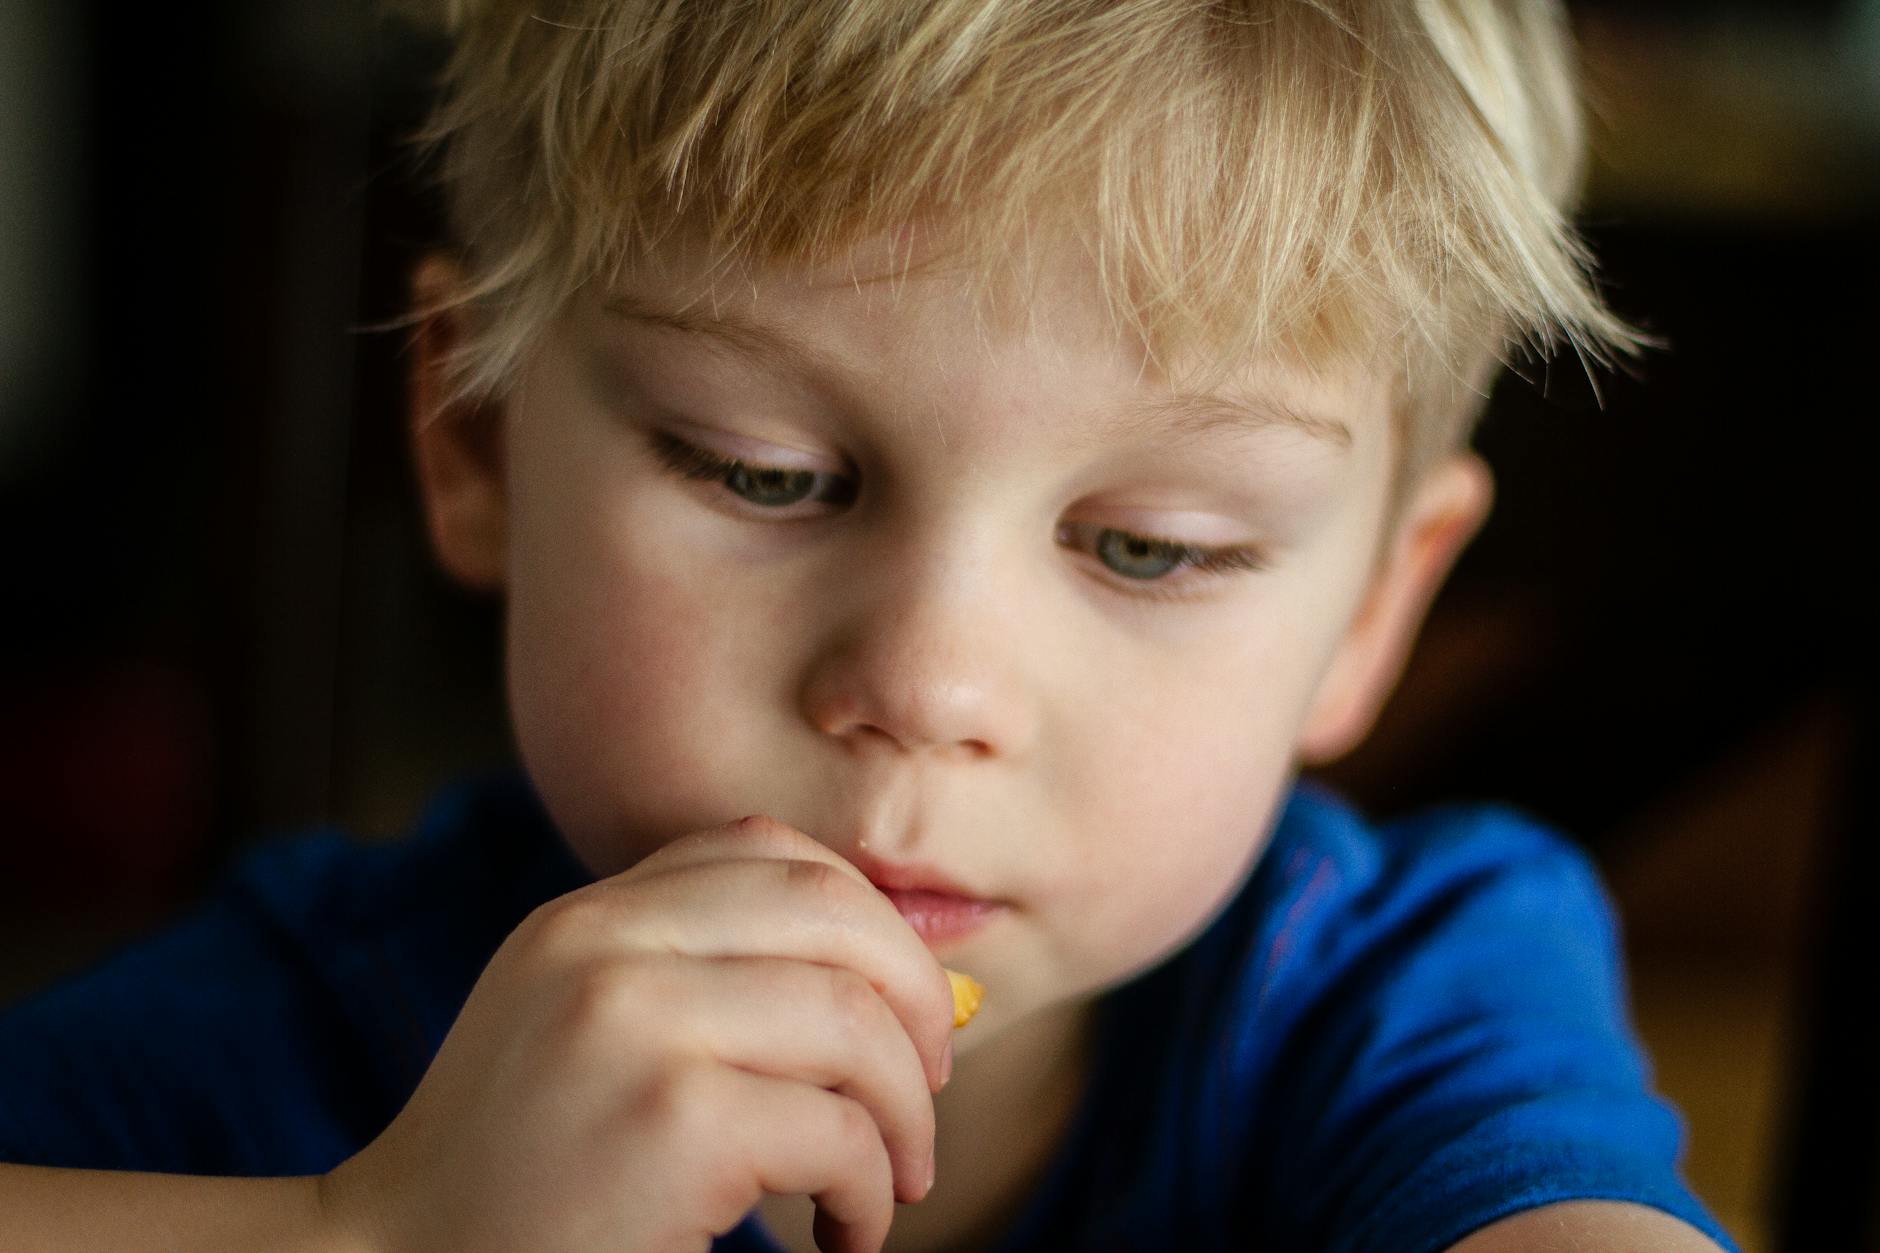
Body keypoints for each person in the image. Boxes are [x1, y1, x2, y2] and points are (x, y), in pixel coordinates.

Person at [0, 2, 1740, 1250]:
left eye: (1150, 547)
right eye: (761, 475)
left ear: (1374, 608)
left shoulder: (1401, 995)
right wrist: (364, 1237)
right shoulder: (290, 1041)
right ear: (475, 443)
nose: (927, 684)